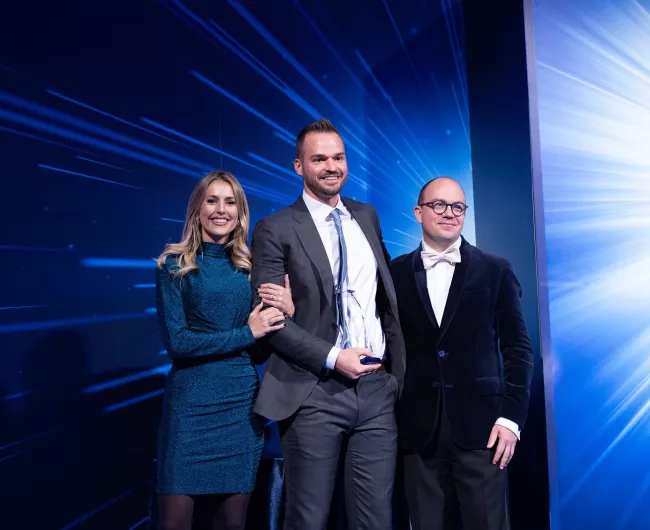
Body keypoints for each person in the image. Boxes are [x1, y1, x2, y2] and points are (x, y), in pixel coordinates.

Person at [250, 118, 406, 530]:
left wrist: (392, 376)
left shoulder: (366, 216)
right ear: (299, 166)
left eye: (338, 157)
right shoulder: (276, 228)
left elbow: (381, 296)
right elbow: (271, 321)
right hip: (313, 390)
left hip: (376, 388)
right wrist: (335, 358)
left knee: (376, 521)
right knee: (309, 520)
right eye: (319, 159)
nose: (331, 166)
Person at [390, 177, 534, 530]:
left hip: (483, 430)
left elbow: (518, 348)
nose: (450, 213)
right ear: (419, 212)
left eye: (458, 207)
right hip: (417, 430)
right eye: (439, 205)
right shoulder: (393, 273)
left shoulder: (495, 268)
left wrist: (511, 419)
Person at [154, 171, 294, 530]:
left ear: (240, 211)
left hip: (240, 409)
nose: (221, 209)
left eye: (230, 201)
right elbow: (179, 344)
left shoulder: (251, 269)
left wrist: (287, 314)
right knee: (175, 524)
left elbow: (260, 351)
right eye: (212, 200)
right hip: (190, 408)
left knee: (232, 525)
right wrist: (247, 332)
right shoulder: (173, 265)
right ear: (197, 208)